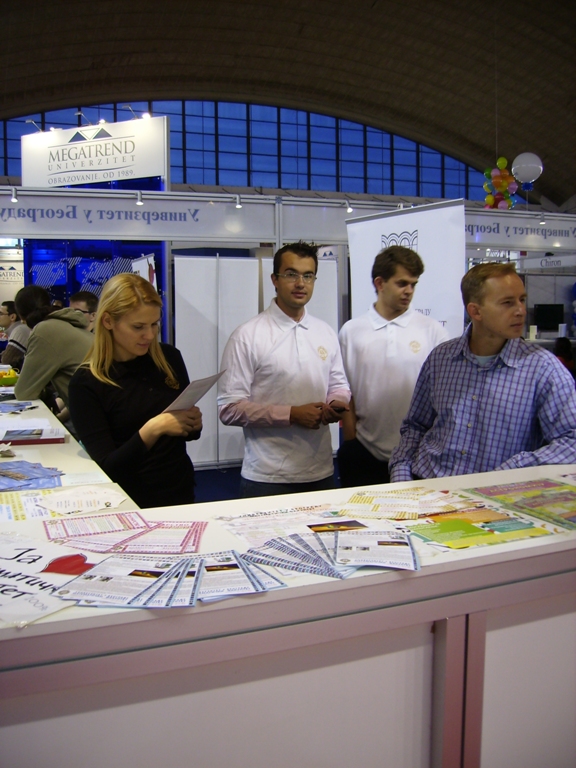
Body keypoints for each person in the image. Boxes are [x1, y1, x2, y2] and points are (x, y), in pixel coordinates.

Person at [389, 262, 576, 482]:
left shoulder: (543, 369)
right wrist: (401, 473)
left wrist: (516, 468)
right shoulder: (441, 359)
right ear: (475, 311)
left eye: (522, 300)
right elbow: (415, 426)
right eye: (507, 303)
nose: (521, 311)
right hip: (428, 482)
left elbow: (571, 441)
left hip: (498, 492)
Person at [218, 241, 350, 497]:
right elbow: (229, 409)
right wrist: (292, 415)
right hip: (266, 477)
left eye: (308, 276)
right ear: (274, 280)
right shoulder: (247, 336)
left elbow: (339, 385)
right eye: (291, 274)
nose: (300, 283)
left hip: (321, 471)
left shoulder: (325, 331)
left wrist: (335, 404)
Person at [68, 273, 202, 508]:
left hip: (179, 490)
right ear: (108, 321)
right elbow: (108, 467)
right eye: (138, 327)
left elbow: (187, 435)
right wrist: (154, 428)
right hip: (126, 500)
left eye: (154, 324)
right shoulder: (86, 383)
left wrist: (191, 424)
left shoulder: (169, 358)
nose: (149, 335)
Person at [338, 246, 448, 487]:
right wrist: (351, 439)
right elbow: (344, 390)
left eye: (413, 284)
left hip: (418, 454)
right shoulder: (351, 331)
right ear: (380, 283)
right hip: (364, 452)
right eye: (402, 283)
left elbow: (443, 393)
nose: (409, 291)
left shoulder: (432, 330)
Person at [14, 285, 93, 406]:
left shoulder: (45, 330)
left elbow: (24, 393)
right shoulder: (65, 325)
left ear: (20, 316)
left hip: (97, 412)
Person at [0, 300, 31, 368]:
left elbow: (6, 360)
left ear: (12, 317)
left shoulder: (20, 330)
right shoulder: (16, 329)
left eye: (1, 314)